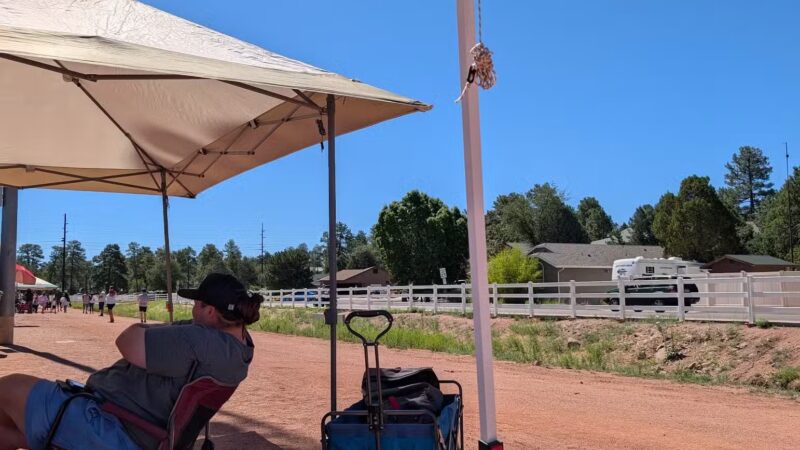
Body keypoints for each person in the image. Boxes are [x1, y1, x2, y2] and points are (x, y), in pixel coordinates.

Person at [0, 273, 263, 450]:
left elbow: (127, 341)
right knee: (13, 429)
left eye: (196, 303)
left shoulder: (199, 340)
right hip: (137, 426)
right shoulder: (239, 347)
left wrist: (162, 330)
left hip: (117, 428)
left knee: (10, 388)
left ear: (209, 311)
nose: (192, 308)